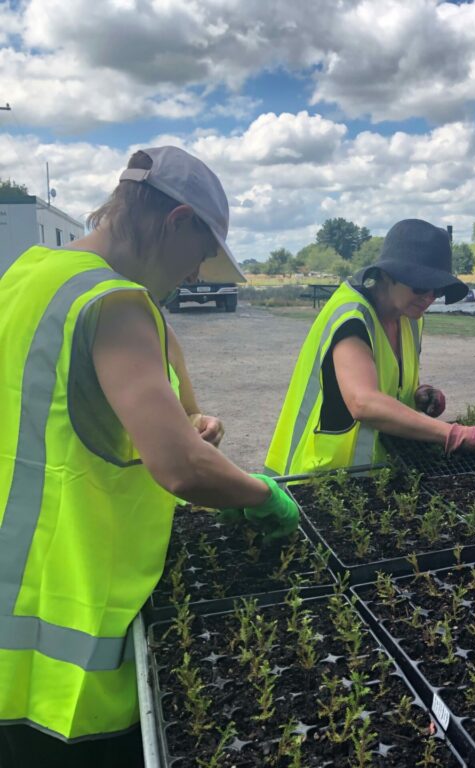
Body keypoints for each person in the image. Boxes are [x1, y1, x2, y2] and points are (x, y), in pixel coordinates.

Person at [0, 146, 299, 767]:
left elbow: (55, 416)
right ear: (177, 220)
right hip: (68, 648)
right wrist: (259, 494)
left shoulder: (26, 275)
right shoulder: (113, 302)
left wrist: (179, 423)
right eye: (199, 255)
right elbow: (182, 468)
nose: (194, 275)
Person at [265, 219, 475, 476]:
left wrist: (417, 395)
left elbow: (385, 386)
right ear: (386, 275)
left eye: (437, 290)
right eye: (420, 286)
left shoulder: (409, 319)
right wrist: (456, 434)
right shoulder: (352, 318)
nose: (429, 297)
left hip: (373, 477)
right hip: (318, 477)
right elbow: (364, 402)